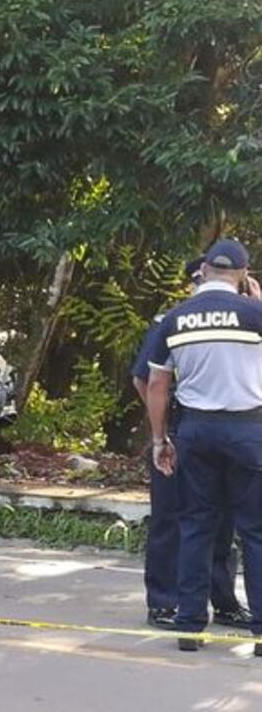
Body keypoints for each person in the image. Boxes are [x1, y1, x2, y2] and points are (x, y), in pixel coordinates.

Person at [147, 238, 262, 652]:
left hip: (195, 432)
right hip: (249, 431)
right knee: (255, 532)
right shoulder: (255, 313)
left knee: (196, 526)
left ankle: (190, 626)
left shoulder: (176, 318)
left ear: (206, 271)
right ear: (243, 275)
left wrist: (160, 439)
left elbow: (157, 382)